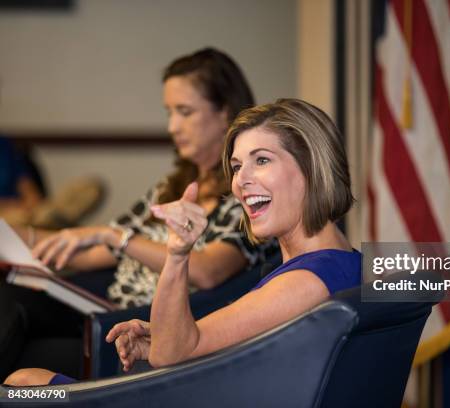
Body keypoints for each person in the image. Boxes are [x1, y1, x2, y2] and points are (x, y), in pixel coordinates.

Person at [4, 98, 361, 386]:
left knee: (23, 386)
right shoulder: (348, 261)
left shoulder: (304, 281)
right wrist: (161, 334)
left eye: (261, 161)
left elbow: (172, 353)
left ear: (313, 168)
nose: (240, 182)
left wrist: (178, 252)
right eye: (236, 167)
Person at [0, 48, 277, 380]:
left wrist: (118, 237)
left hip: (135, 328)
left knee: (23, 363)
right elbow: (92, 251)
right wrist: (20, 235)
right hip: (96, 307)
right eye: (169, 112)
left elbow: (207, 272)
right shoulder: (169, 187)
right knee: (10, 301)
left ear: (225, 113)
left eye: (185, 112)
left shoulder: (244, 195)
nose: (173, 126)